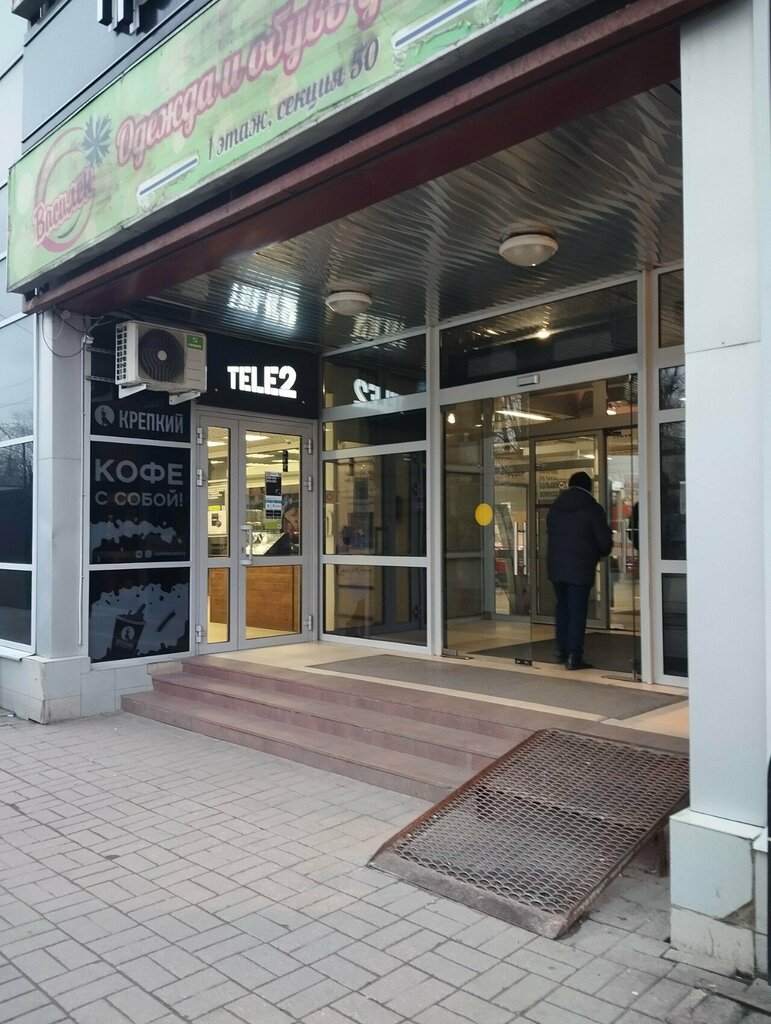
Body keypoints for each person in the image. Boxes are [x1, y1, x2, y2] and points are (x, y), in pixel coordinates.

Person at [546, 471, 613, 670]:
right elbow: (604, 540)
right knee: (577, 612)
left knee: (563, 609)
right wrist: (601, 552)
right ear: (589, 487)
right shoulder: (592, 508)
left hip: (556, 569)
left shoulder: (556, 507)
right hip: (580, 569)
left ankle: (562, 652)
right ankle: (574, 656)